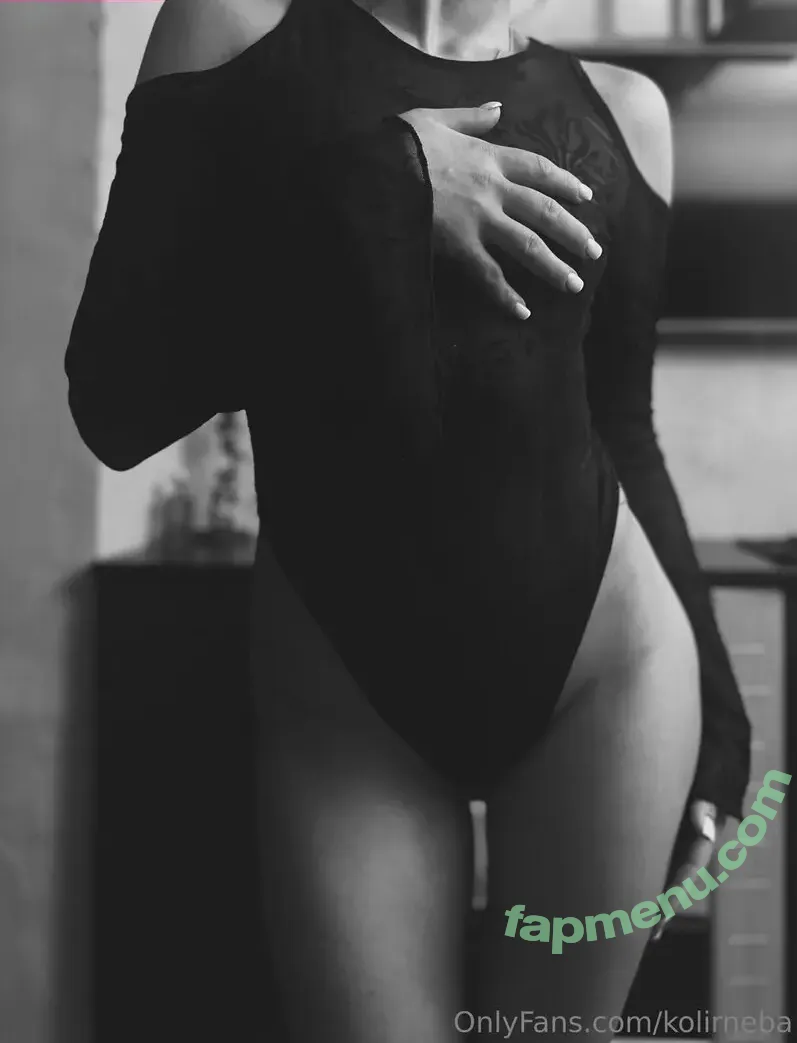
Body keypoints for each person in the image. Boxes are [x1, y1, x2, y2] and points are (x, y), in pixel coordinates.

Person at [64, 0, 752, 1038]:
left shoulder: (624, 111)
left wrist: (722, 723)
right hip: (345, 698)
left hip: (607, 676)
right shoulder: (233, 30)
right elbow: (116, 401)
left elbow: (623, 427)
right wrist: (385, 180)